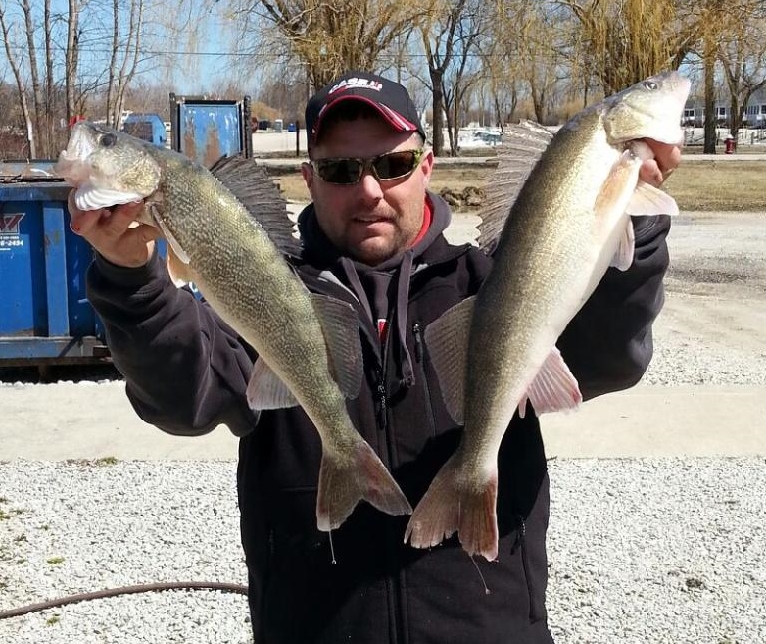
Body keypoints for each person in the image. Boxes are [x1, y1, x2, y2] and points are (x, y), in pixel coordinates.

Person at [69, 70, 680, 644]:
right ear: (308, 178)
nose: (367, 190)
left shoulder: (492, 285)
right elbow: (185, 398)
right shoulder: (267, 294)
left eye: (392, 164)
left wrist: (633, 220)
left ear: (426, 168)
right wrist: (134, 282)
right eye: (339, 169)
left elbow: (607, 360)